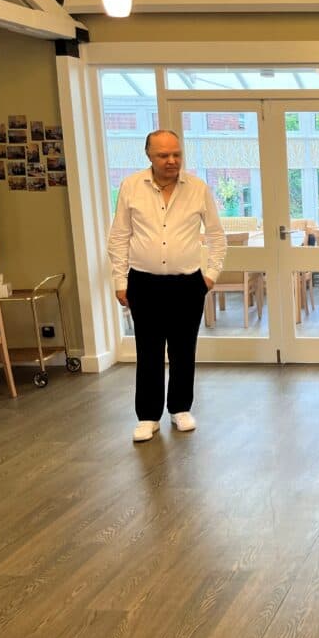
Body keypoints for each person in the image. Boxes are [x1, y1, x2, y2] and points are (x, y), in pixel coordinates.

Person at [107, 130, 226, 443]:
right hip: (143, 282)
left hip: (187, 283)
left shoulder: (198, 188)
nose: (172, 160)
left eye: (176, 154)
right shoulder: (131, 187)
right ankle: (147, 417)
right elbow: (119, 236)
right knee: (148, 350)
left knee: (184, 349)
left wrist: (210, 275)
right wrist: (120, 281)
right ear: (149, 155)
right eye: (163, 155)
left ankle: (180, 409)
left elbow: (216, 236)